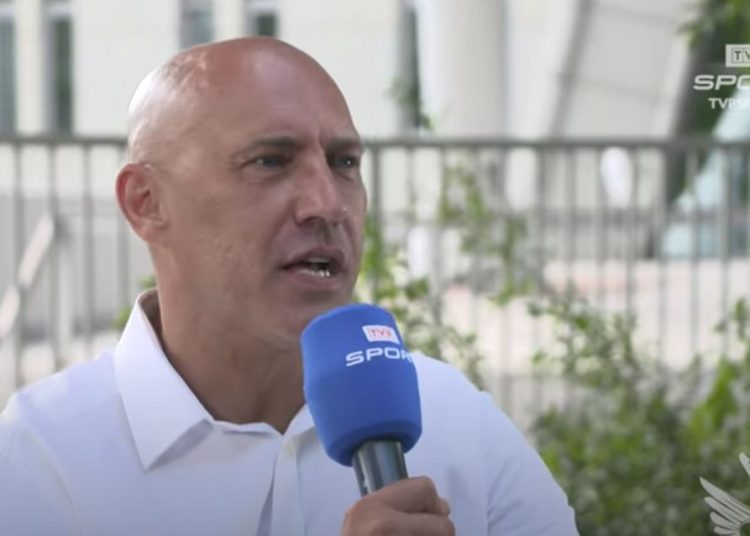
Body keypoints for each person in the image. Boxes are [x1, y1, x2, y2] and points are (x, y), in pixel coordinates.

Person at [0, 37, 578, 535]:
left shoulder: (456, 420)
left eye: (344, 163)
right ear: (146, 203)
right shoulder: (43, 457)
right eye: (270, 162)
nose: (327, 204)